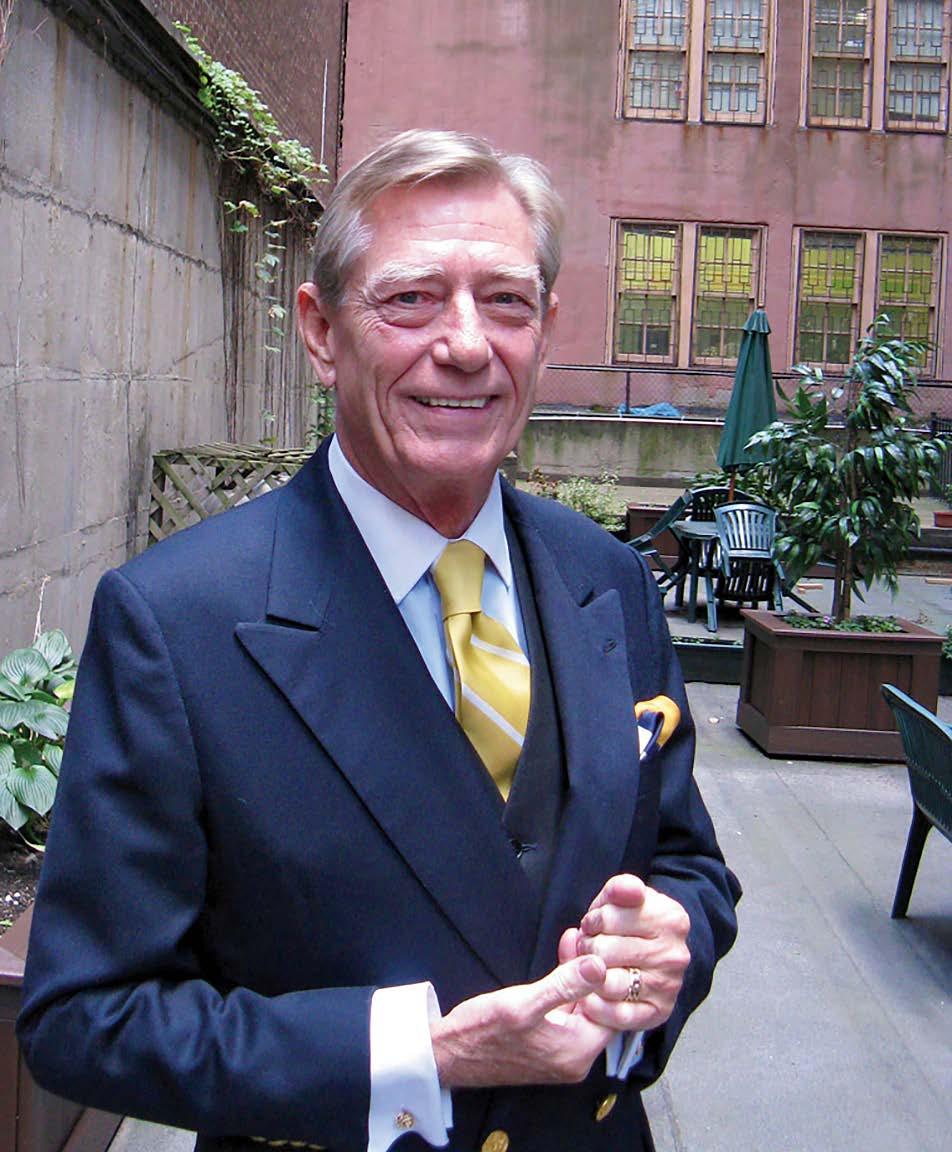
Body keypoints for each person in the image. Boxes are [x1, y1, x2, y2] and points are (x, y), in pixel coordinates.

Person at [18, 130, 740, 1152]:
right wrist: (422, 1056)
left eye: (506, 301)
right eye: (411, 299)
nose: (467, 344)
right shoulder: (176, 623)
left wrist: (668, 947)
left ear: (545, 331)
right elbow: (85, 1019)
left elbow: (685, 863)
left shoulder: (609, 580)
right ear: (321, 333)